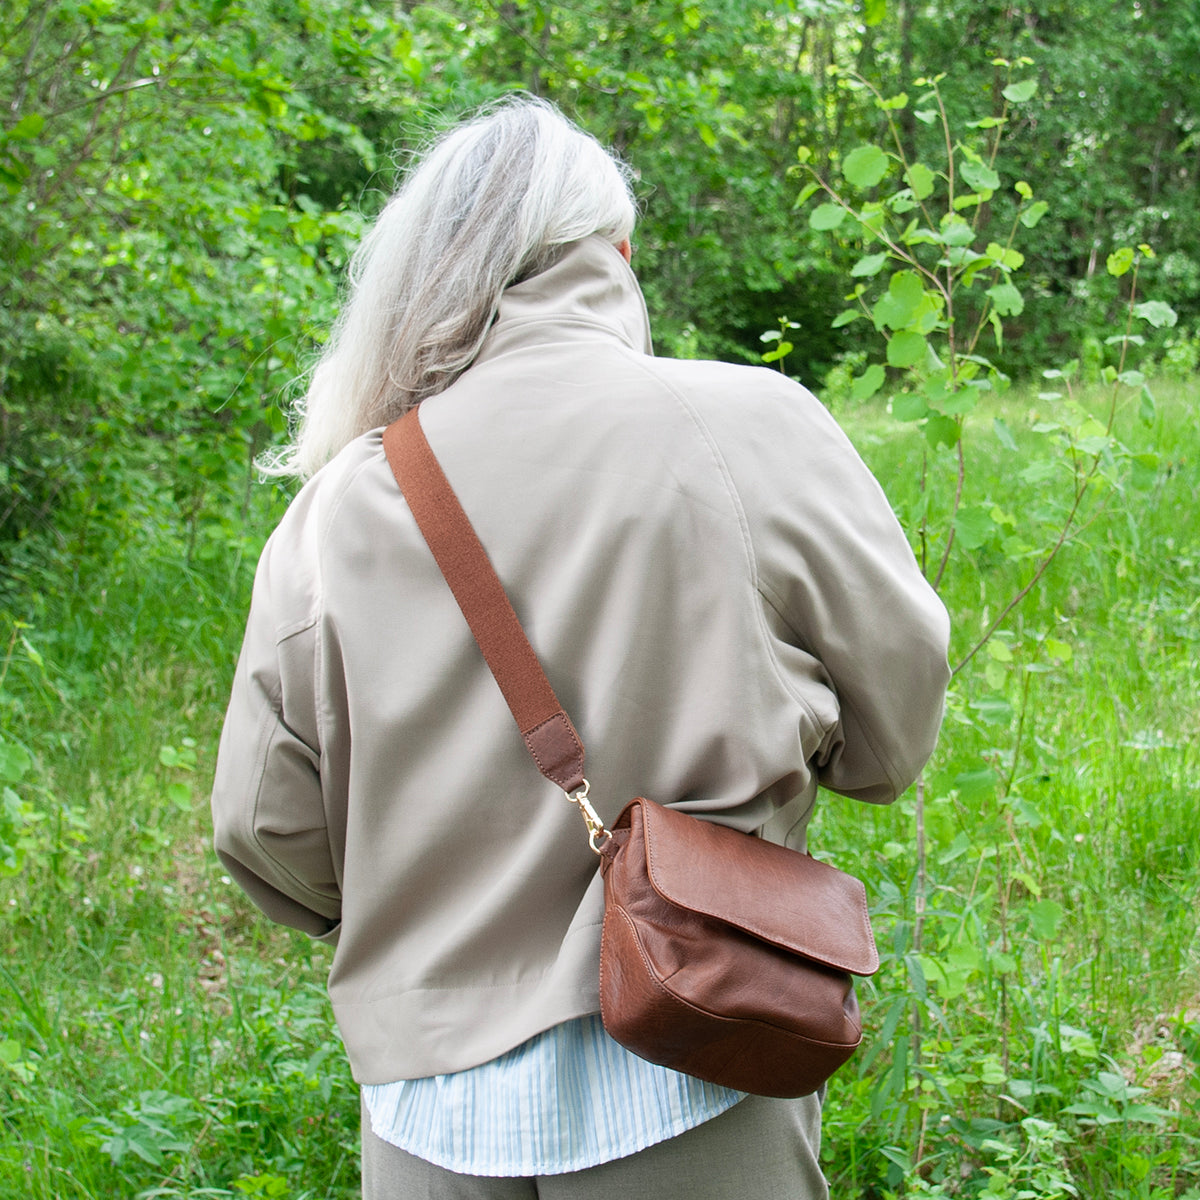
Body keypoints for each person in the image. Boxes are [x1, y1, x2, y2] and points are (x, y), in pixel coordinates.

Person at [210, 95, 951, 1199]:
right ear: (616, 254)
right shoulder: (750, 426)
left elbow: (262, 824)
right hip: (701, 1053)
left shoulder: (339, 506)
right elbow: (892, 737)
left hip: (426, 1117)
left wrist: (422, 919)